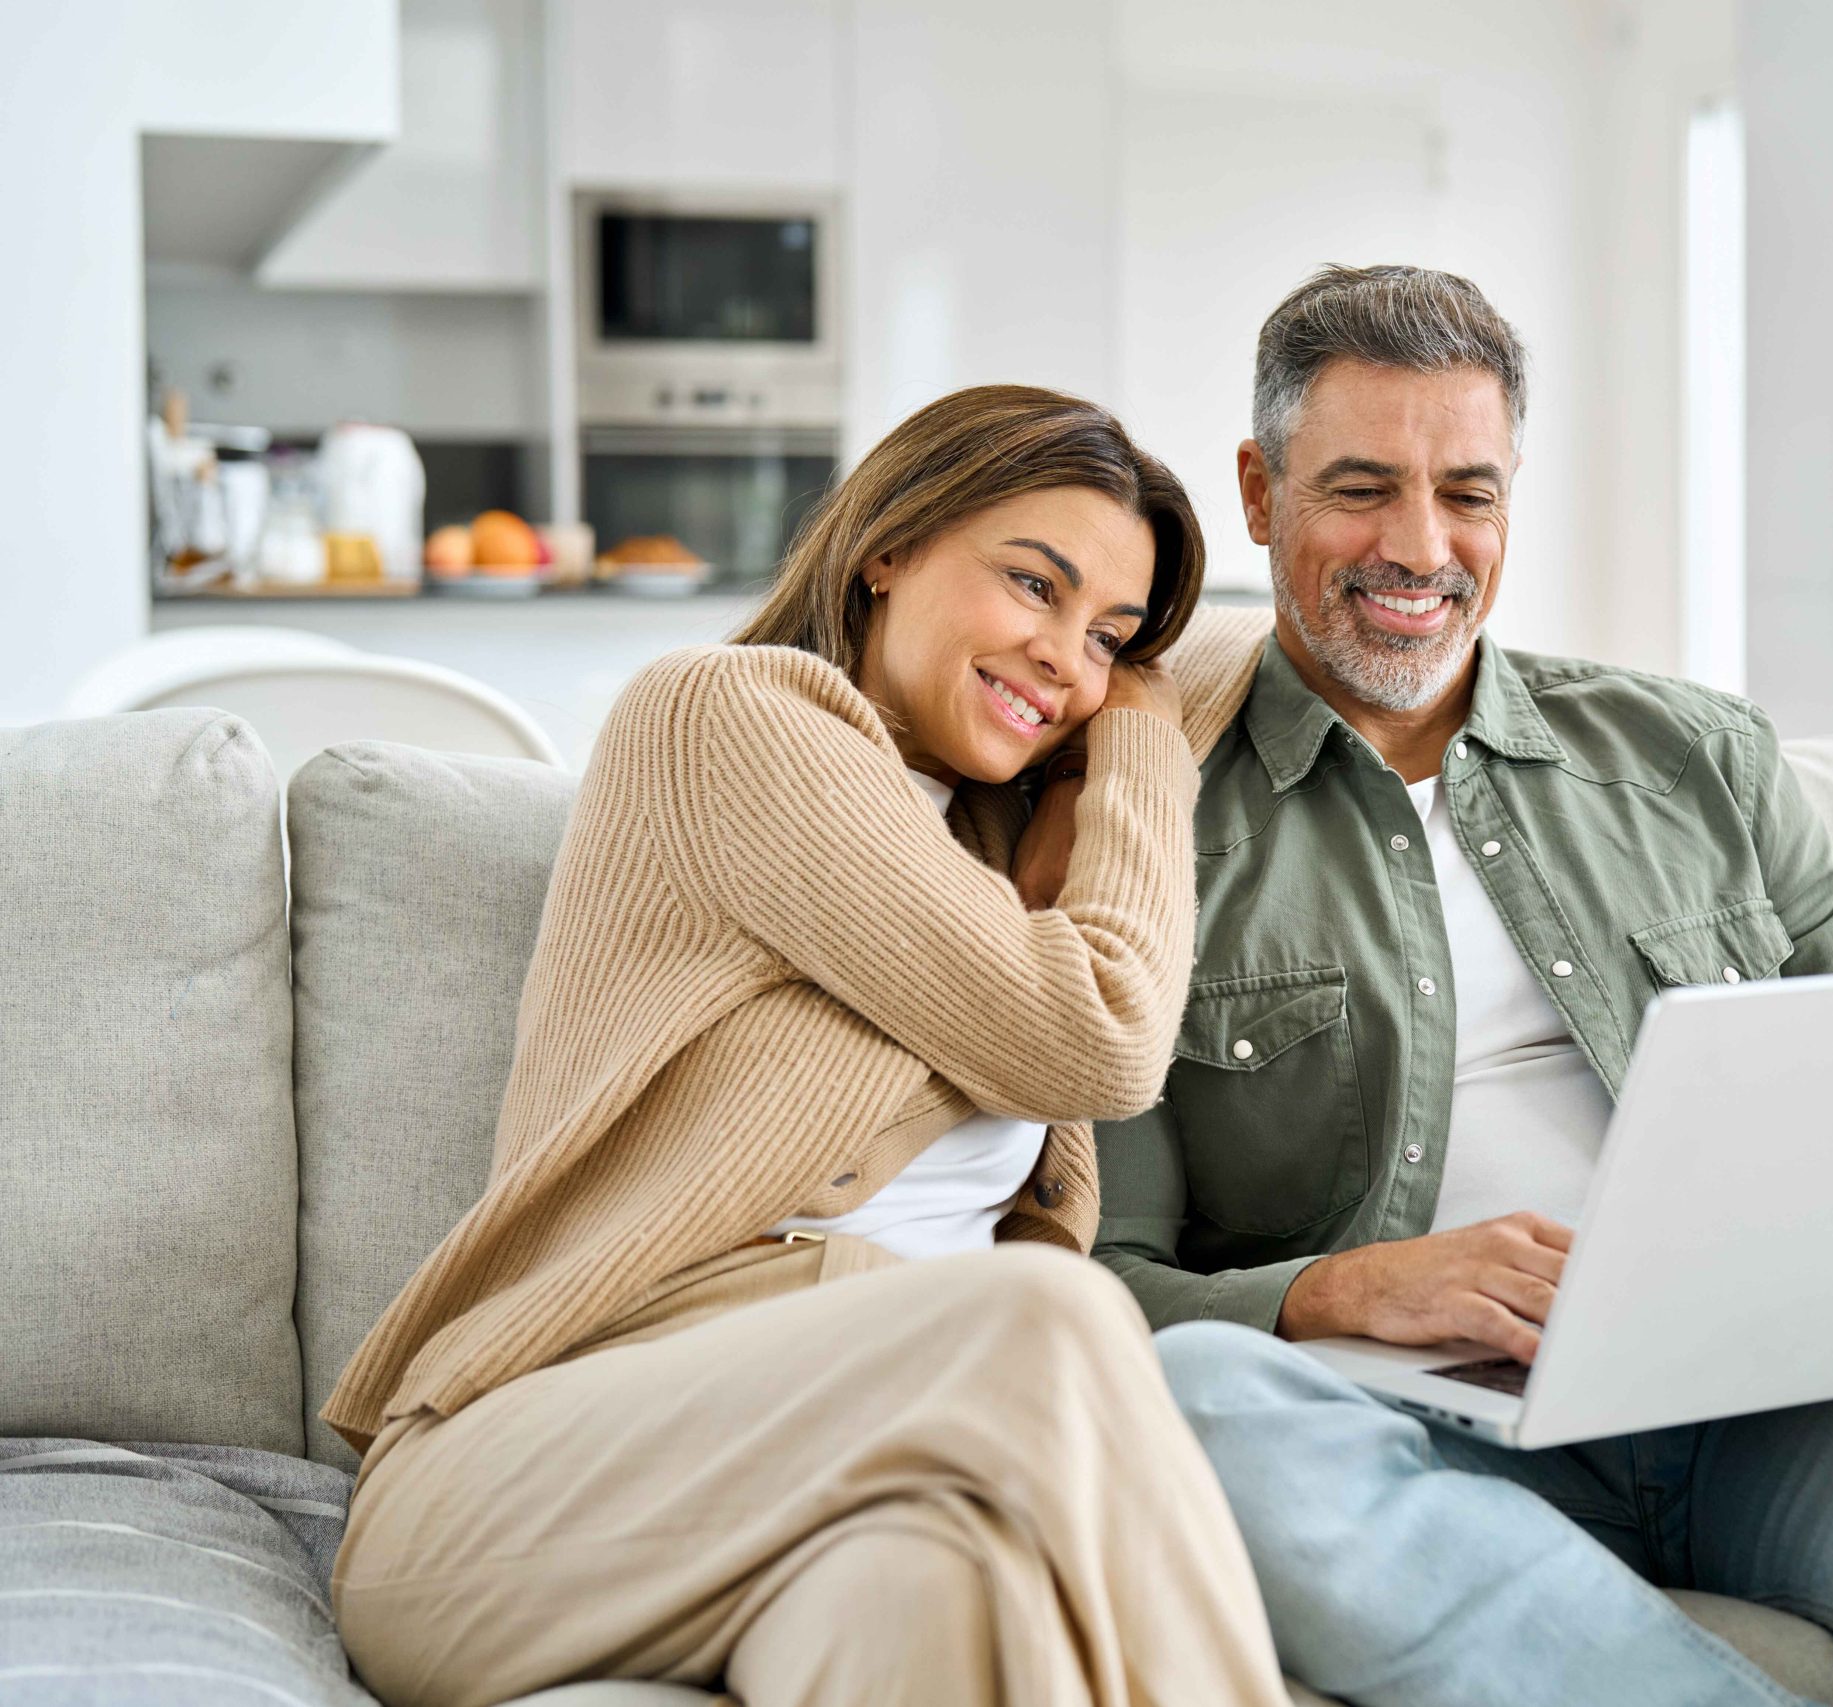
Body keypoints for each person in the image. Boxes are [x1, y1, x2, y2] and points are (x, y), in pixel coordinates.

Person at [1074, 267, 1833, 1707]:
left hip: (1785, 1402)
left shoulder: (1697, 758)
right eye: (1361, 489)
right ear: (1259, 490)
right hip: (1419, 1422)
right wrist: (1346, 1290)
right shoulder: (1143, 820)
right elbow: (1096, 1286)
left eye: (1469, 494)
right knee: (1198, 1409)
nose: (1419, 547)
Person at [323, 385, 1293, 1707]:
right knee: (1049, 1318)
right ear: (888, 545)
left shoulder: (990, 858)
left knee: (938, 1592)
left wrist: (1127, 713)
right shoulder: (732, 719)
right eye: (1032, 584)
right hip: (524, 1489)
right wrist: (1137, 752)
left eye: (1110, 636)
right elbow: (1099, 1041)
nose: (1069, 659)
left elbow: (1270, 648)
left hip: (840, 1489)